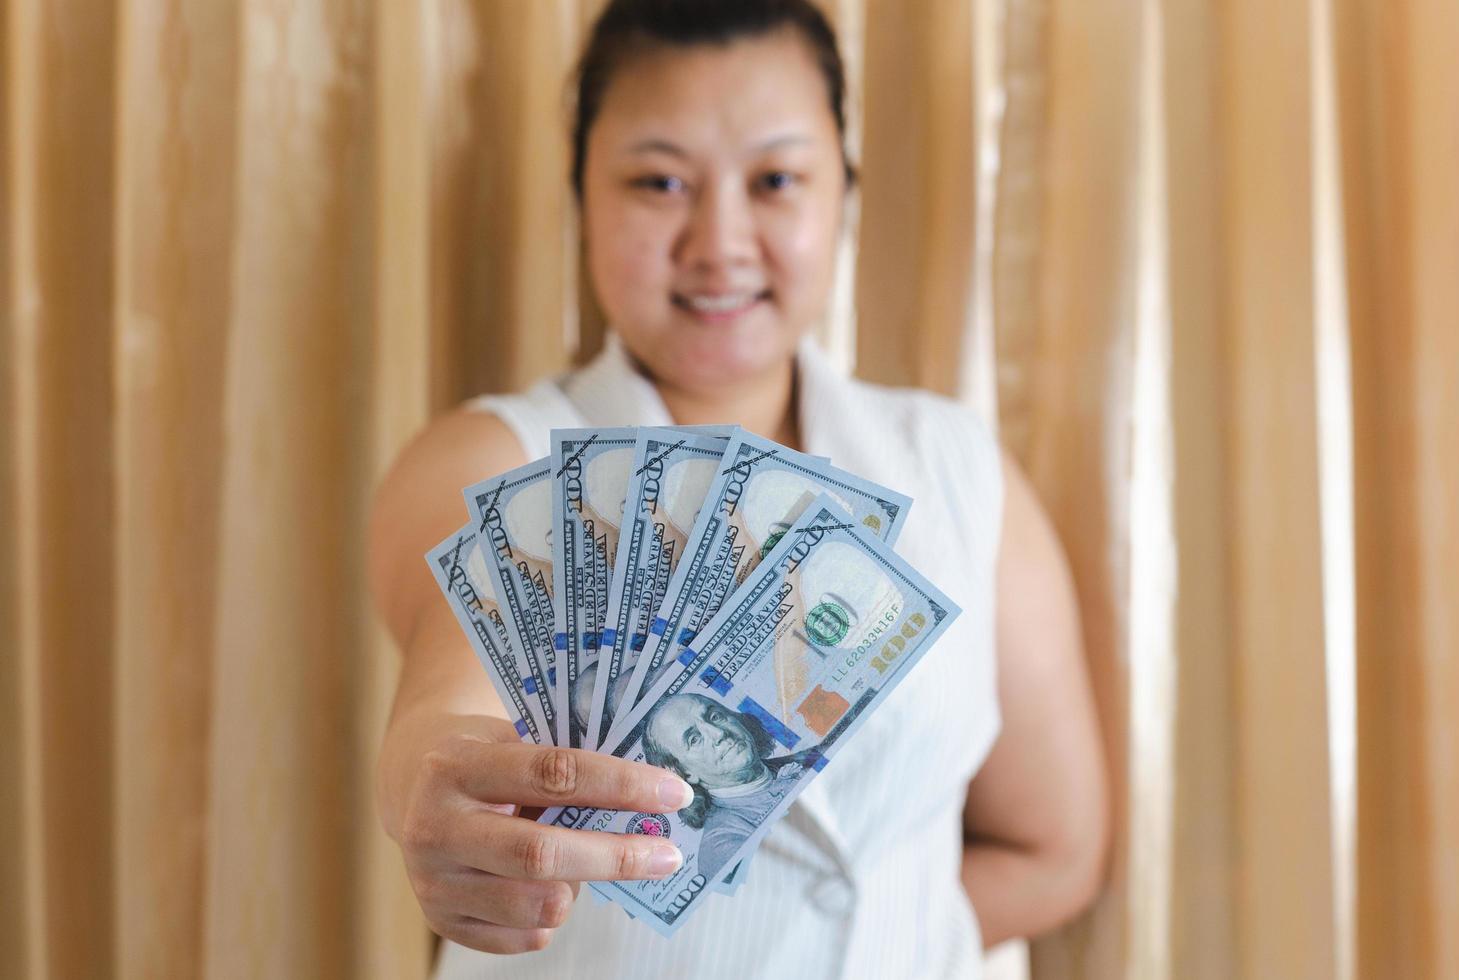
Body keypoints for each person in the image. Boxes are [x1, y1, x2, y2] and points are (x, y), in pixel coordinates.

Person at [368, 1, 1109, 976]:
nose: (719, 242)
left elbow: (1055, 849)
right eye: (659, 180)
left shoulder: (956, 467)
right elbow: (445, 695)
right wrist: (434, 784)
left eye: (775, 179)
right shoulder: (498, 465)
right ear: (580, 195)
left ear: (841, 193)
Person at [642, 693, 824, 881]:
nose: (719, 733)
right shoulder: (723, 843)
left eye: (715, 717)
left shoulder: (810, 758)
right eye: (694, 739)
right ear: (686, 774)